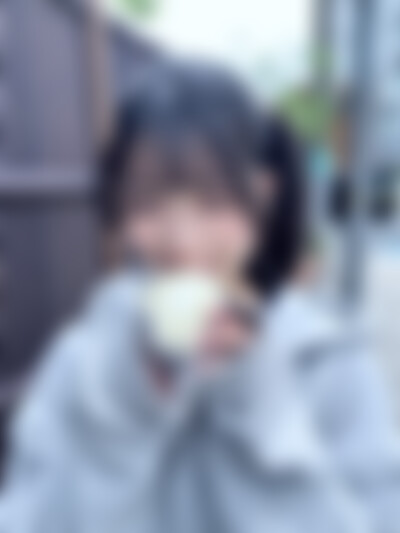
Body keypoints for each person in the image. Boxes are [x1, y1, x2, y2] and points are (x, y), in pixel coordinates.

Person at [0, 61, 398, 533]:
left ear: (264, 194)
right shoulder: (82, 358)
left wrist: (257, 402)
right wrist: (126, 404)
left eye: (213, 202)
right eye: (147, 203)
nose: (182, 242)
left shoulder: (331, 365)